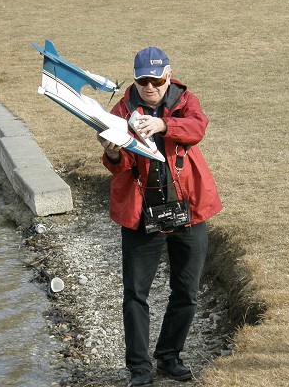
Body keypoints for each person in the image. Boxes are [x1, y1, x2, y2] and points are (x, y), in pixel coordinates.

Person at [97, 47, 222, 386]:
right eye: (142, 80)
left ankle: (169, 356)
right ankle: (139, 368)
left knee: (187, 291)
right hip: (142, 214)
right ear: (135, 78)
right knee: (135, 294)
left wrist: (163, 124)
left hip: (189, 209)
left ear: (168, 75)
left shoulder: (186, 100)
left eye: (155, 80)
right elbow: (119, 166)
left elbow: (197, 129)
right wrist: (111, 153)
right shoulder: (121, 110)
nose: (149, 87)